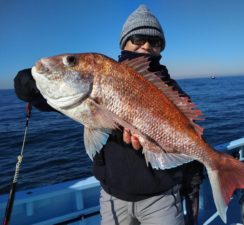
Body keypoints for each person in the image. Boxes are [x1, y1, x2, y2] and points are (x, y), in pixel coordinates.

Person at [14, 5, 204, 225]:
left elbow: (191, 133)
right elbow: (59, 100)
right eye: (138, 38)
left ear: (161, 48)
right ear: (124, 42)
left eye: (155, 41)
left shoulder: (173, 91)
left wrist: (197, 172)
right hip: (113, 195)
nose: (146, 46)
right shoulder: (105, 76)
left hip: (161, 196)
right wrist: (30, 88)